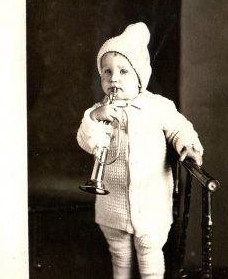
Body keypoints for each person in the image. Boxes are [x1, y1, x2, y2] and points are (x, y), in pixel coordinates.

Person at [77, 22, 203, 279]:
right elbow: (86, 142)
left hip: (152, 204)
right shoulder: (97, 111)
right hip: (112, 205)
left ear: (140, 76)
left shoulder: (157, 106)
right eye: (106, 71)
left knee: (150, 256)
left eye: (123, 71)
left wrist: (189, 146)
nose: (113, 78)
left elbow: (179, 128)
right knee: (119, 256)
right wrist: (94, 119)